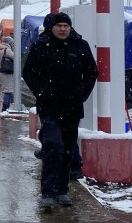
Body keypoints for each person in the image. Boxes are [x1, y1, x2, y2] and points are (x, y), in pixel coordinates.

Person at [22, 12, 97, 211]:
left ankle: (63, 190)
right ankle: (48, 191)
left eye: (66, 25)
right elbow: (28, 71)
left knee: (67, 148)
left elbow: (91, 72)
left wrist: (82, 94)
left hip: (72, 107)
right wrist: (41, 91)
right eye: (59, 25)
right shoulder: (42, 46)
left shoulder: (80, 46)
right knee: (53, 145)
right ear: (51, 28)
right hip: (50, 107)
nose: (63, 29)